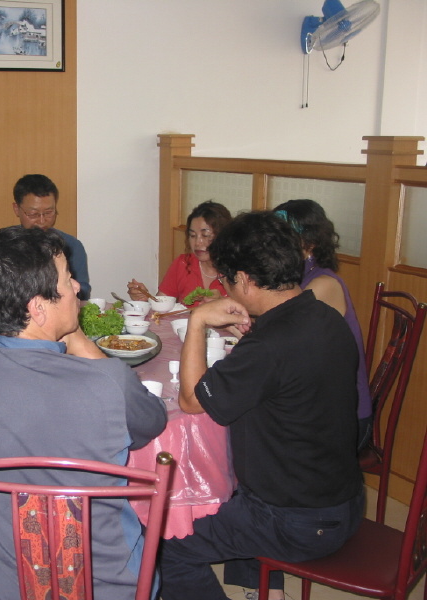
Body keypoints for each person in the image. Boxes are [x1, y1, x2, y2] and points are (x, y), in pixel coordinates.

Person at [0, 226, 166, 599]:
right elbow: (152, 422)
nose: (78, 288)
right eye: (67, 279)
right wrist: (79, 338)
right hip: (112, 590)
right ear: (38, 308)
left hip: (5, 590)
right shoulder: (109, 383)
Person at [159, 211, 364, 600]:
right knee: (232, 483)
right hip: (342, 499)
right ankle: (263, 590)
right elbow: (287, 375)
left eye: (226, 280)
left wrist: (198, 320)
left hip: (296, 520)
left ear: (245, 280)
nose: (225, 289)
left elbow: (191, 400)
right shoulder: (323, 316)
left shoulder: (269, 347)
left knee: (163, 546)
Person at [273, 199, 372, 450]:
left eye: (282, 238)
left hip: (341, 418)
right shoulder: (296, 277)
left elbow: (278, 341)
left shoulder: (323, 285)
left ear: (310, 243)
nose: (272, 245)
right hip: (314, 404)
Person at [0, 174, 91, 299]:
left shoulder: (71, 245)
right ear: (17, 209)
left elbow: (83, 290)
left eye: (48, 212)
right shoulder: (2, 243)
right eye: (33, 214)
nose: (42, 221)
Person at [128, 201, 231, 305]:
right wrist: (146, 299)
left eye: (205, 235)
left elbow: (241, 310)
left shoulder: (236, 271)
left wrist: (222, 303)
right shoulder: (184, 263)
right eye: (192, 235)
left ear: (223, 235)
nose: (197, 242)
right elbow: (161, 304)